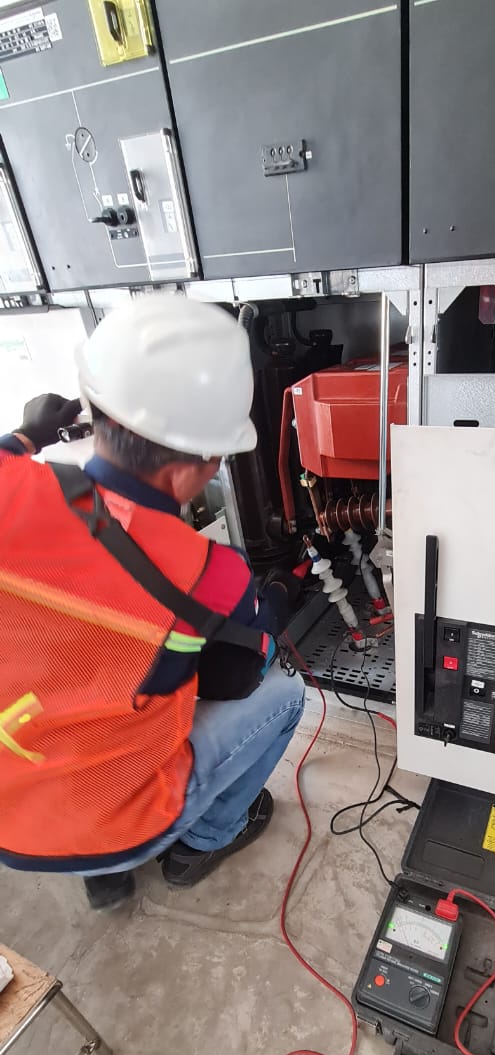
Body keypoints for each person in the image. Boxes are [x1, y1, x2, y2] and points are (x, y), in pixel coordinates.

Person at [0, 295, 306, 909]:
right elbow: (242, 667)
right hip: (123, 819)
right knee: (285, 693)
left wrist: (29, 432)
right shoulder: (209, 573)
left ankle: (101, 877)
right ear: (196, 467)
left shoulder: (11, 489)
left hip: (13, 812)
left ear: (94, 411)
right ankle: (204, 841)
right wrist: (276, 596)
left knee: (76, 671)